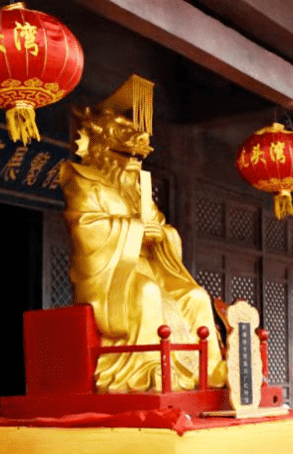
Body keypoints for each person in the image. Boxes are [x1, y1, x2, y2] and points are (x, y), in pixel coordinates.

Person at [61, 75, 227, 393]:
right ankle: (147, 367)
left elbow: (162, 227)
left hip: (150, 266)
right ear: (100, 146)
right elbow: (86, 230)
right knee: (148, 292)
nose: (135, 162)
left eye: (138, 157)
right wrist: (136, 231)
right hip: (112, 275)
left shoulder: (137, 189)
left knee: (195, 298)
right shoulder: (83, 181)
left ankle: (209, 370)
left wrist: (160, 235)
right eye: (127, 155)